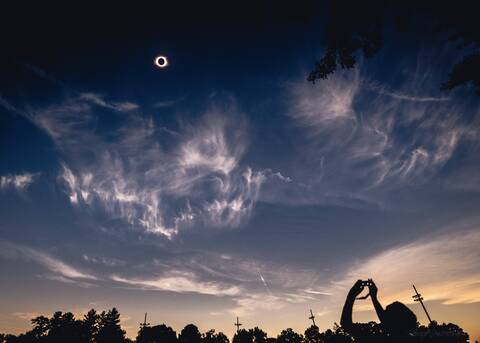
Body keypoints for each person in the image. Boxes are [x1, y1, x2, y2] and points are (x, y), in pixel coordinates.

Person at [340, 279, 418, 342]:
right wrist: (374, 298)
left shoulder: (376, 338)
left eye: (386, 312)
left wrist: (351, 295)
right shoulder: (413, 339)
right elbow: (385, 319)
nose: (382, 316)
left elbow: (346, 324)